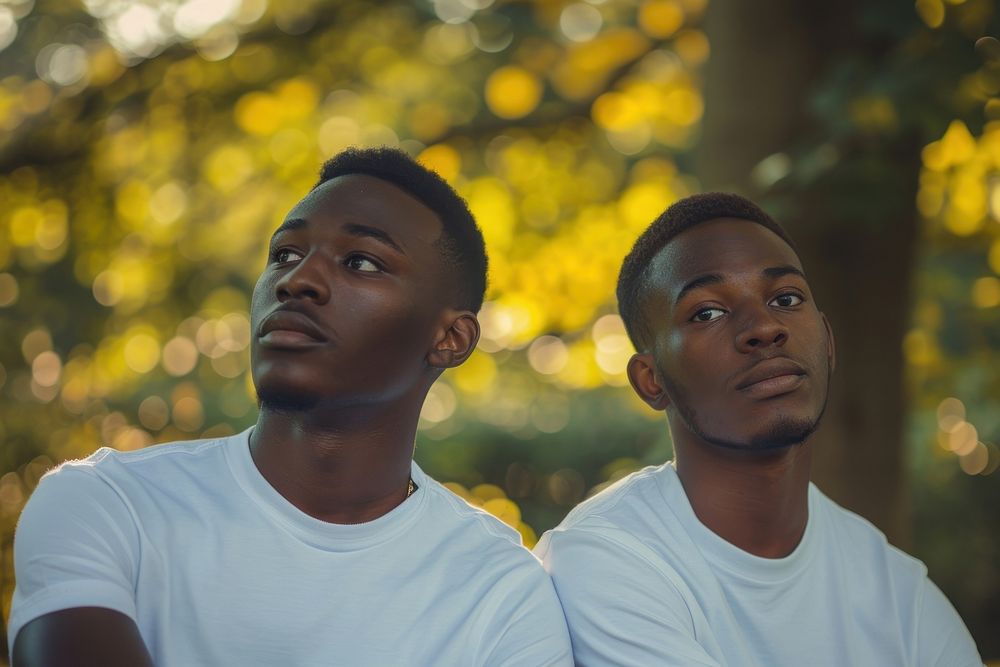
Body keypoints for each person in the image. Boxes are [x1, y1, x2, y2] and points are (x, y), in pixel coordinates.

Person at [9, 147, 573, 666]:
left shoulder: (501, 592)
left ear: (451, 339)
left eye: (361, 262)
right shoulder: (111, 506)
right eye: (284, 253)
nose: (297, 280)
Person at [535, 192, 983, 666]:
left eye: (786, 298)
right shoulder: (606, 558)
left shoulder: (897, 592)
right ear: (651, 380)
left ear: (828, 342)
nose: (764, 327)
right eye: (707, 312)